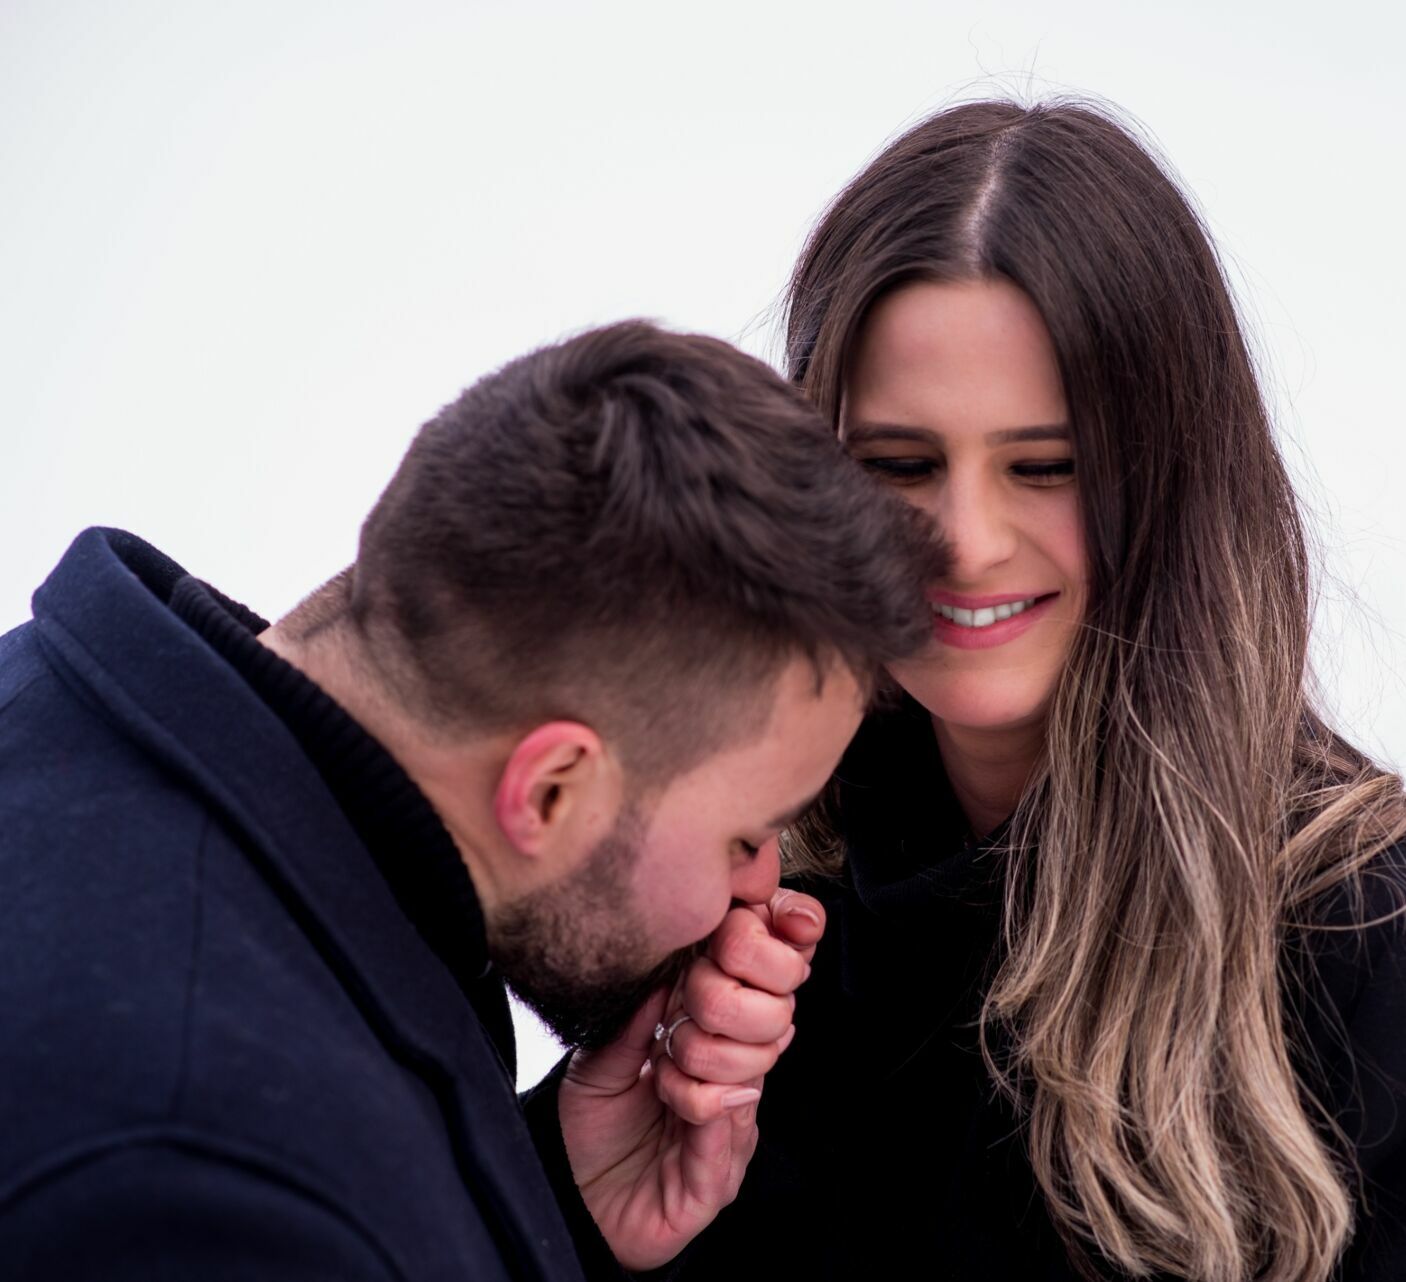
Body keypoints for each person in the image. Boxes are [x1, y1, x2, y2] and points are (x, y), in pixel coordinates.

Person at [666, 101, 1406, 1281]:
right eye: (899, 466)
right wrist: (584, 1185)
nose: (963, 541)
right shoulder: (738, 936)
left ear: (1177, 480)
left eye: (1048, 467)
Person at [0, 320, 942, 1279]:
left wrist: (551, 1210)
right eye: (746, 834)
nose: (758, 887)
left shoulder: (49, 717)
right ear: (551, 789)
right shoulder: (215, 1185)